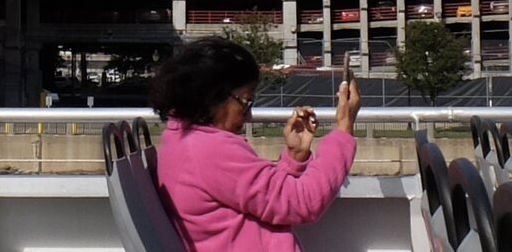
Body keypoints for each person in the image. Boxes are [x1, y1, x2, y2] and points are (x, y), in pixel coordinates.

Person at [149, 38, 359, 252]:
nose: (248, 116)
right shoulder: (209, 150)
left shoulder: (180, 139)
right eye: (246, 102)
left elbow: (262, 198)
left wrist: (294, 158)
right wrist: (343, 129)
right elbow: (302, 203)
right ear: (214, 96)